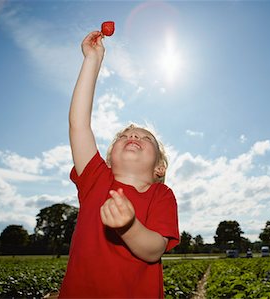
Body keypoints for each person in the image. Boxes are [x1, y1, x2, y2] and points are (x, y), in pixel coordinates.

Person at [58, 31, 179, 298]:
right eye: (123, 136)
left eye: (144, 138)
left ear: (159, 168)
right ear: (109, 159)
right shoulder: (95, 179)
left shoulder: (162, 195)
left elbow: (154, 249)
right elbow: (78, 125)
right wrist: (93, 59)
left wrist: (129, 227)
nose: (132, 135)